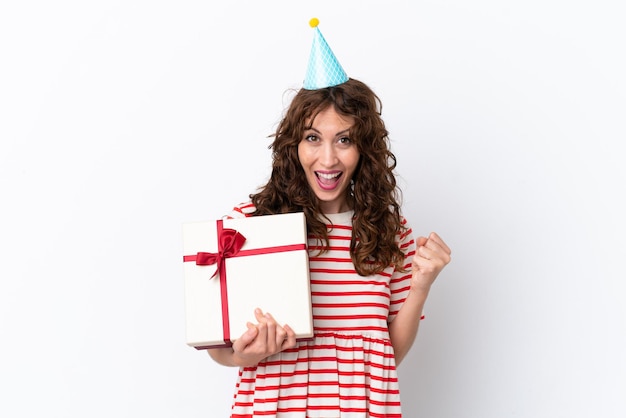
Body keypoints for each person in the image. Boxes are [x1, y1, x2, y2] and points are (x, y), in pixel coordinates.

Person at [207, 19, 451, 418]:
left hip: (361, 408)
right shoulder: (249, 225)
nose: (328, 159)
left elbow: (389, 351)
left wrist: (422, 284)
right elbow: (216, 347)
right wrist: (243, 355)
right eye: (313, 138)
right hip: (275, 405)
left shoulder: (391, 231)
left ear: (364, 149)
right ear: (293, 145)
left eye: (344, 139)